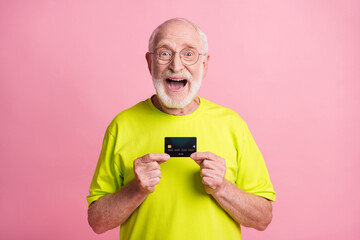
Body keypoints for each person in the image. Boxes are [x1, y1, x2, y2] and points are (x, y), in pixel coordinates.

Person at [87, 18, 276, 240]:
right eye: (164, 53)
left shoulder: (232, 125)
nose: (176, 65)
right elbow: (97, 222)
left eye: (189, 54)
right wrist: (135, 189)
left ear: (204, 65)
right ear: (150, 62)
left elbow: (263, 218)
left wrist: (222, 188)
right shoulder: (122, 125)